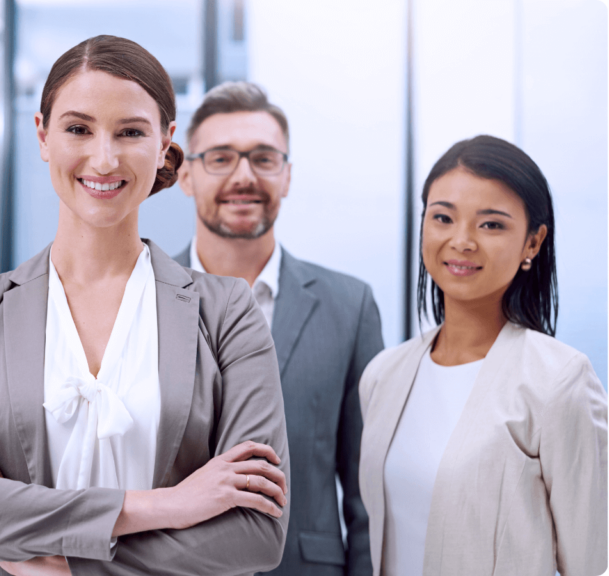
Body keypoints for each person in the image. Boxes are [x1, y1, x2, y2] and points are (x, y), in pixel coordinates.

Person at [0, 35, 290, 576]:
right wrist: (166, 505)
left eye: (131, 131)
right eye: (78, 129)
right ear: (42, 135)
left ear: (165, 144)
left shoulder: (226, 311)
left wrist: (52, 562)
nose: (104, 157)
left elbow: (256, 533)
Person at [358, 135, 607, 576]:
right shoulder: (384, 375)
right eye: (442, 218)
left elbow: (594, 563)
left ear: (533, 242)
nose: (462, 240)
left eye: (491, 224)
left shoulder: (559, 382)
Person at [170, 81, 381, 575]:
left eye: (264, 159)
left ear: (286, 175)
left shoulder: (348, 306)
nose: (244, 176)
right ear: (185, 175)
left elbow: (368, 491)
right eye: (220, 158)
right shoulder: (139, 298)